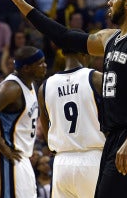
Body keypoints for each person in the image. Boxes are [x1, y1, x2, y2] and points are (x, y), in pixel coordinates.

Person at [8, 0, 127, 198]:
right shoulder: (109, 39)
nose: (109, 2)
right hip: (114, 136)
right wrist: (21, 4)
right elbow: (64, 36)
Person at [0, 46, 47, 198]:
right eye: (40, 63)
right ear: (26, 68)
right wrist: (4, 147)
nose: (44, 66)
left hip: (20, 157)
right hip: (6, 156)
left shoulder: (30, 83)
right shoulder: (12, 88)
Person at [37, 46, 105, 197]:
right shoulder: (96, 78)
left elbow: (45, 125)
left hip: (61, 162)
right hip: (92, 157)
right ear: (85, 53)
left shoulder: (45, 87)